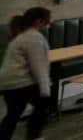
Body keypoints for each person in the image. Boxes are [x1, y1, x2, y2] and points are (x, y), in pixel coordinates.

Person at [0, 7, 52, 140]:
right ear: (39, 21)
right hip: (20, 82)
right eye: (47, 19)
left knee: (13, 114)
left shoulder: (23, 35)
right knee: (42, 105)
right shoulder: (33, 37)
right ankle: (33, 137)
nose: (49, 22)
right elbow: (38, 65)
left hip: (8, 82)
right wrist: (45, 89)